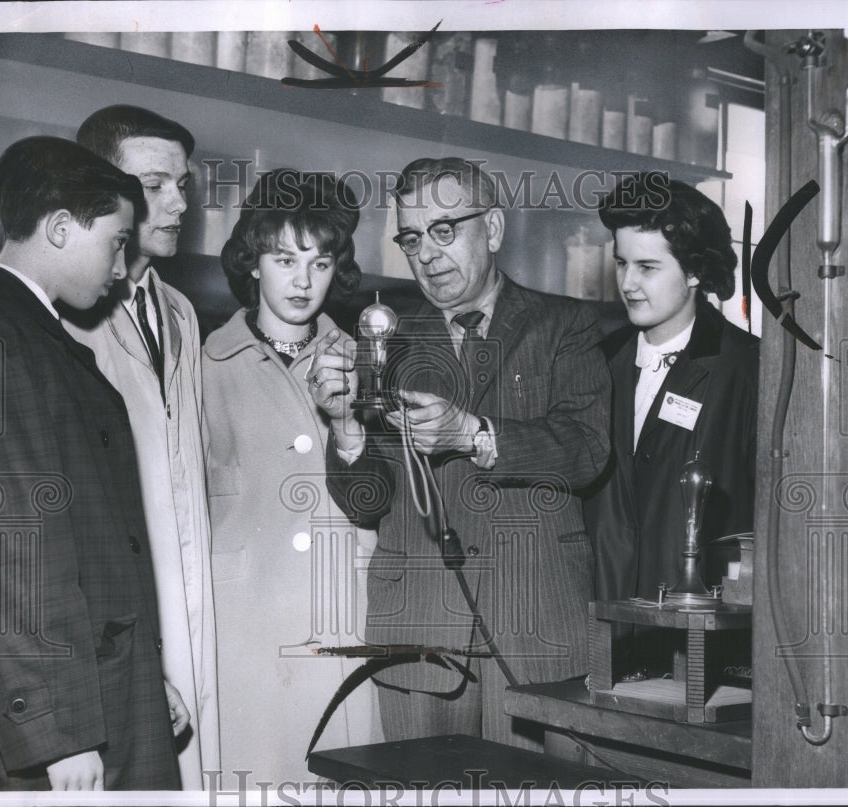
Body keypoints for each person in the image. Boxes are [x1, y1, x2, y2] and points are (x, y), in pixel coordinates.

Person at [309, 157, 612, 750]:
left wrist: (473, 434)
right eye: (412, 237)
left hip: (537, 626)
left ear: (493, 229)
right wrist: (345, 425)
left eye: (445, 230)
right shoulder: (384, 342)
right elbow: (365, 503)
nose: (426, 253)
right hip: (419, 628)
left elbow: (588, 450)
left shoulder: (566, 324)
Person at [0, 136, 182, 790]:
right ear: (57, 229)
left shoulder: (26, 334)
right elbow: (7, 547)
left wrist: (141, 677)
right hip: (61, 725)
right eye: (116, 240)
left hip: (98, 688)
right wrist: (59, 732)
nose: (122, 262)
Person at [202, 168, 381, 785]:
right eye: (284, 259)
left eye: (320, 262)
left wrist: (348, 424)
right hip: (241, 628)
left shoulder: (363, 364)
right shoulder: (201, 367)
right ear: (253, 263)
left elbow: (375, 501)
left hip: (336, 614)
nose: (304, 281)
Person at [62, 105, 217, 787]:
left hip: (188, 628)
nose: (179, 202)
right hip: (112, 642)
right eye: (156, 185)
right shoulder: (66, 315)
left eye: (183, 184)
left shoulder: (180, 311)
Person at [585, 172, 759, 608]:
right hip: (607, 623)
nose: (627, 283)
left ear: (696, 270)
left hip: (700, 629)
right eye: (622, 263)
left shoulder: (746, 367)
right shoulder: (595, 361)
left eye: (647, 267)